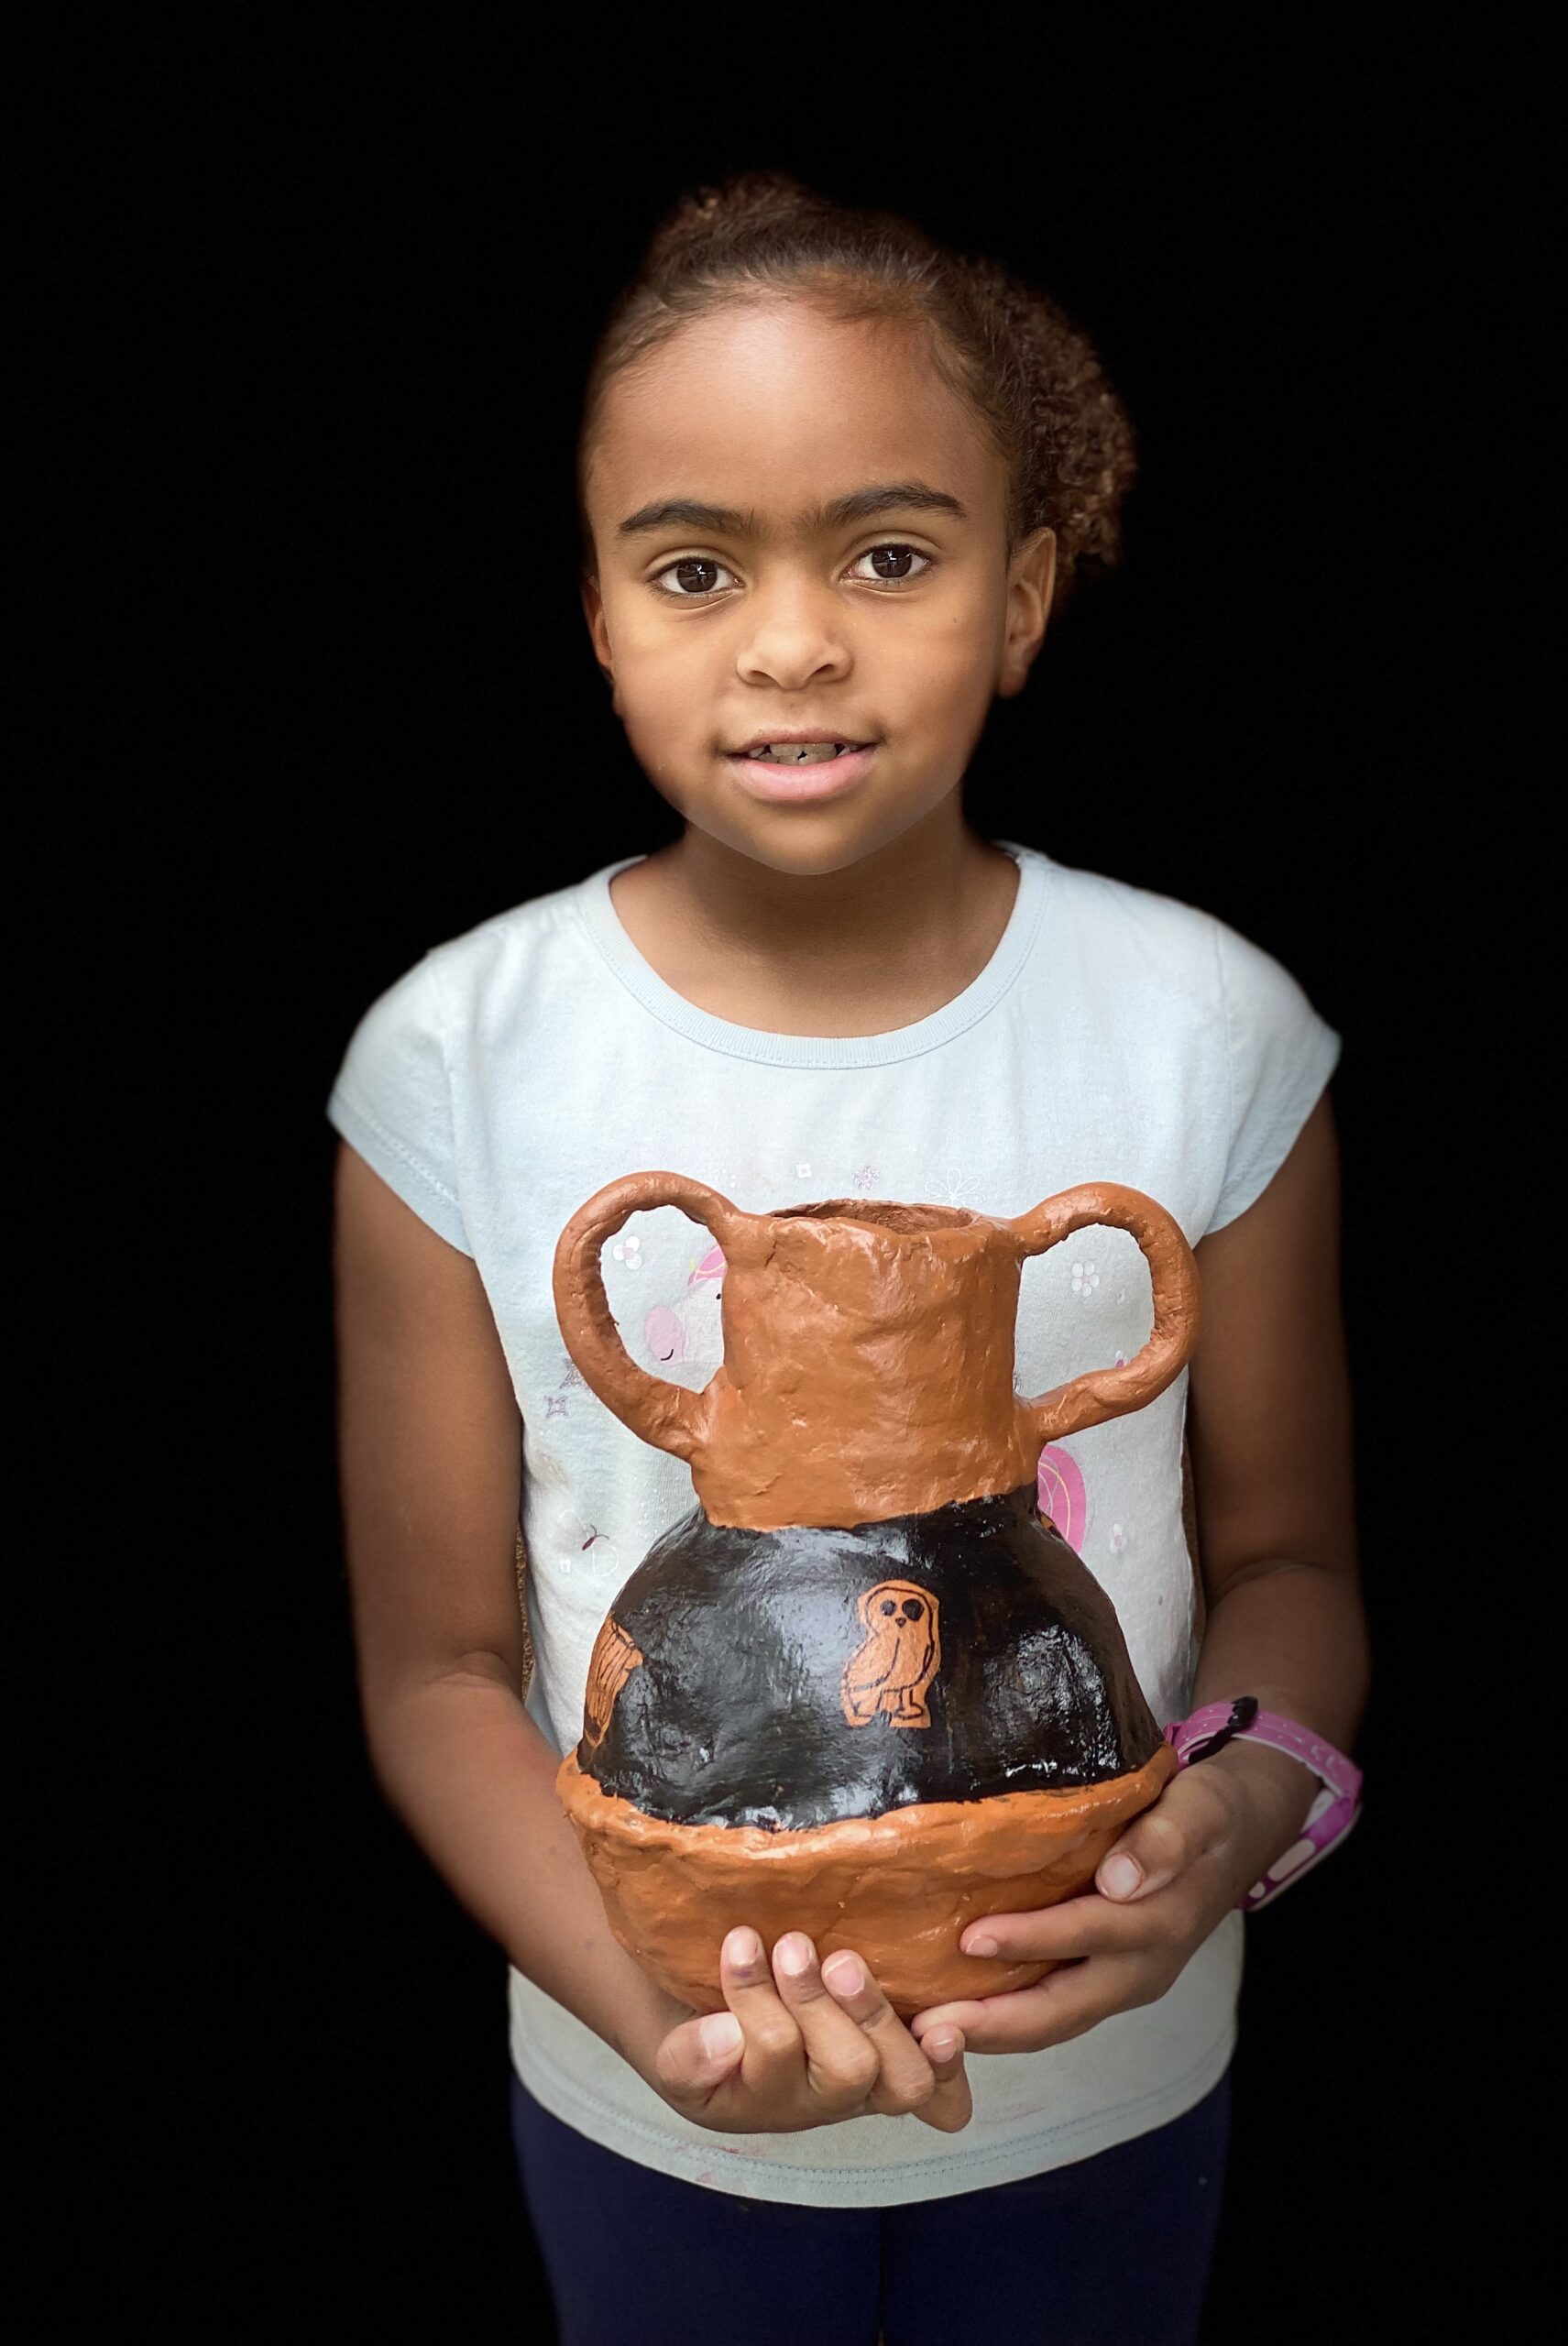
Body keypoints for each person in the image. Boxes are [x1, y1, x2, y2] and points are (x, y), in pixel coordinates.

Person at [329, 170, 1371, 2346]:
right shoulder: (460, 1054)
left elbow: (1291, 1560)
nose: (792, 639)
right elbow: (433, 1667)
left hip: (1108, 2073)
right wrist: (660, 2016)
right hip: (648, 2091)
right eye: (695, 565)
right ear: (601, 614)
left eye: (889, 555)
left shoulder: (1205, 1026)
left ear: (1024, 594)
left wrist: (1254, 1789)